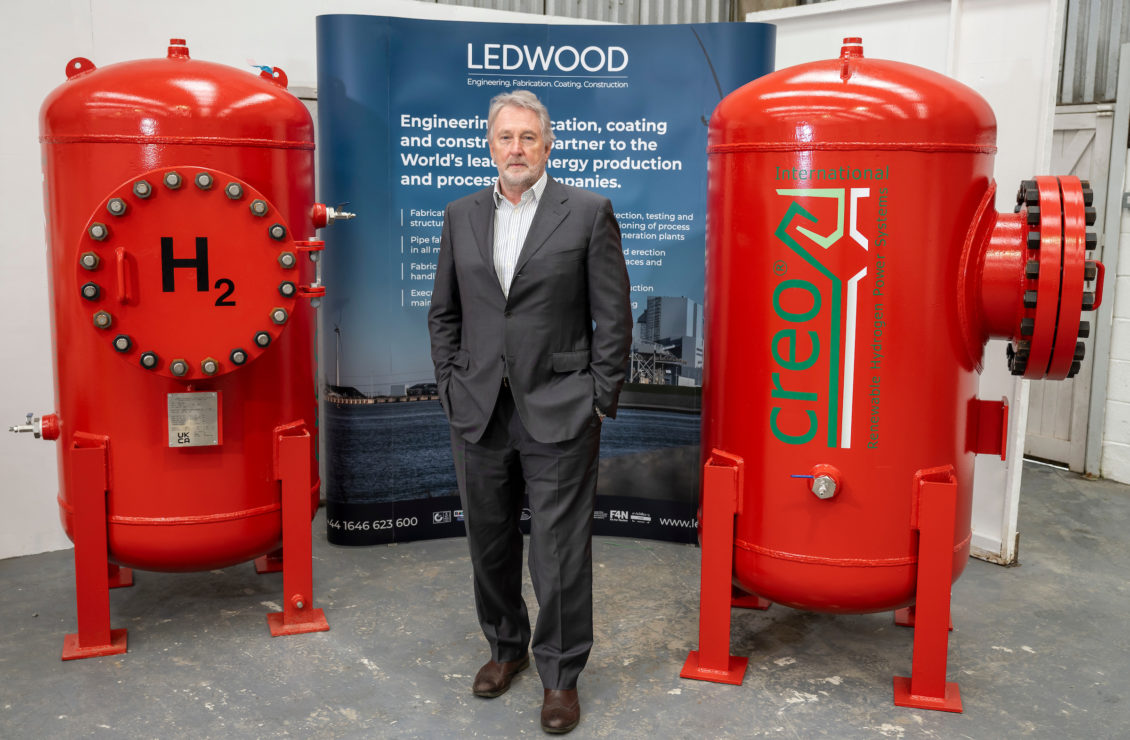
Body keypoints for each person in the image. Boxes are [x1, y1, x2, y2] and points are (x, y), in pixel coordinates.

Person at [427, 89, 632, 734]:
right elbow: (444, 313)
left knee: (559, 552)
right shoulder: (460, 214)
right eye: (504, 137)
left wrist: (600, 397)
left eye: (527, 137)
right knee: (488, 541)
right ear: (490, 145)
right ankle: (505, 647)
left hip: (561, 406)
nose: (515, 148)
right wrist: (450, 385)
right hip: (478, 408)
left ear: (548, 145)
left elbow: (613, 315)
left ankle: (561, 676)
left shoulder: (588, 212)